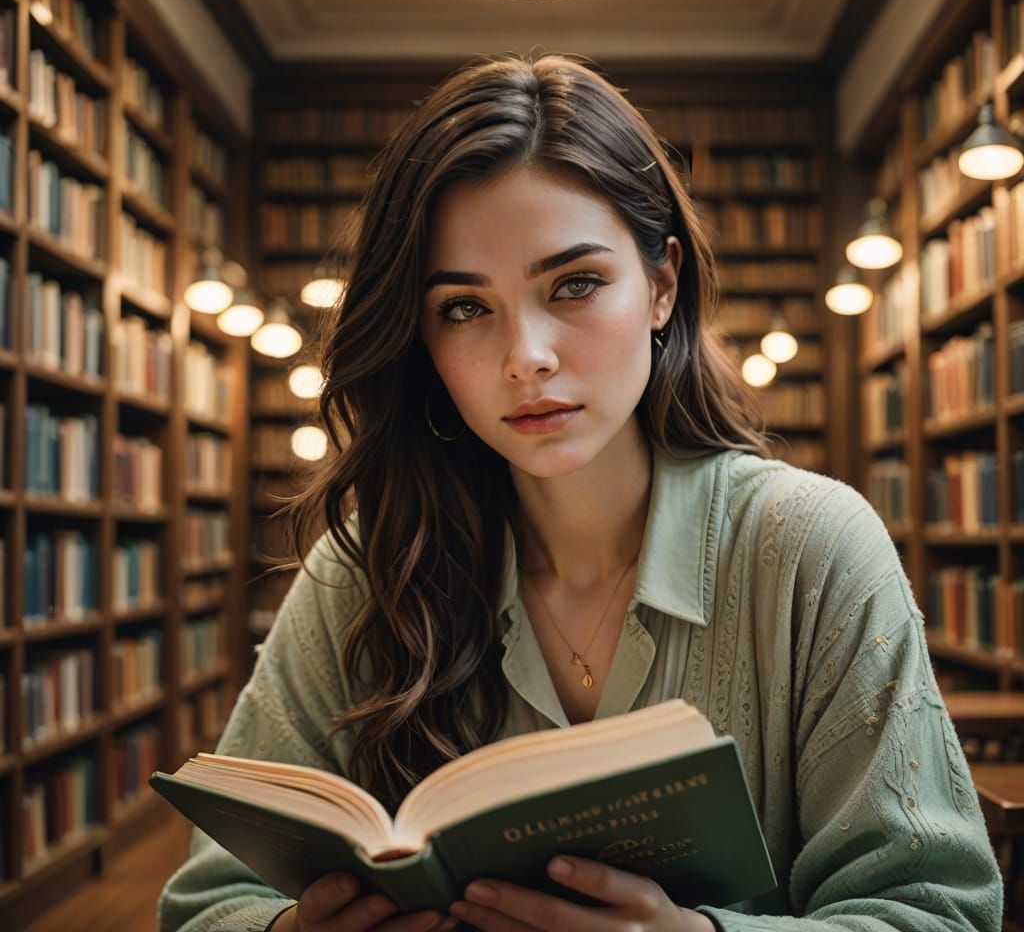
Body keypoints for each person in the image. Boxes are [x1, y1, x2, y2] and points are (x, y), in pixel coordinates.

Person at [158, 52, 1003, 932]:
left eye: (576, 283)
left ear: (662, 286)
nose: (527, 356)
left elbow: (937, 913)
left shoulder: (811, 547)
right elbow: (203, 905)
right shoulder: (365, 566)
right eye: (464, 307)